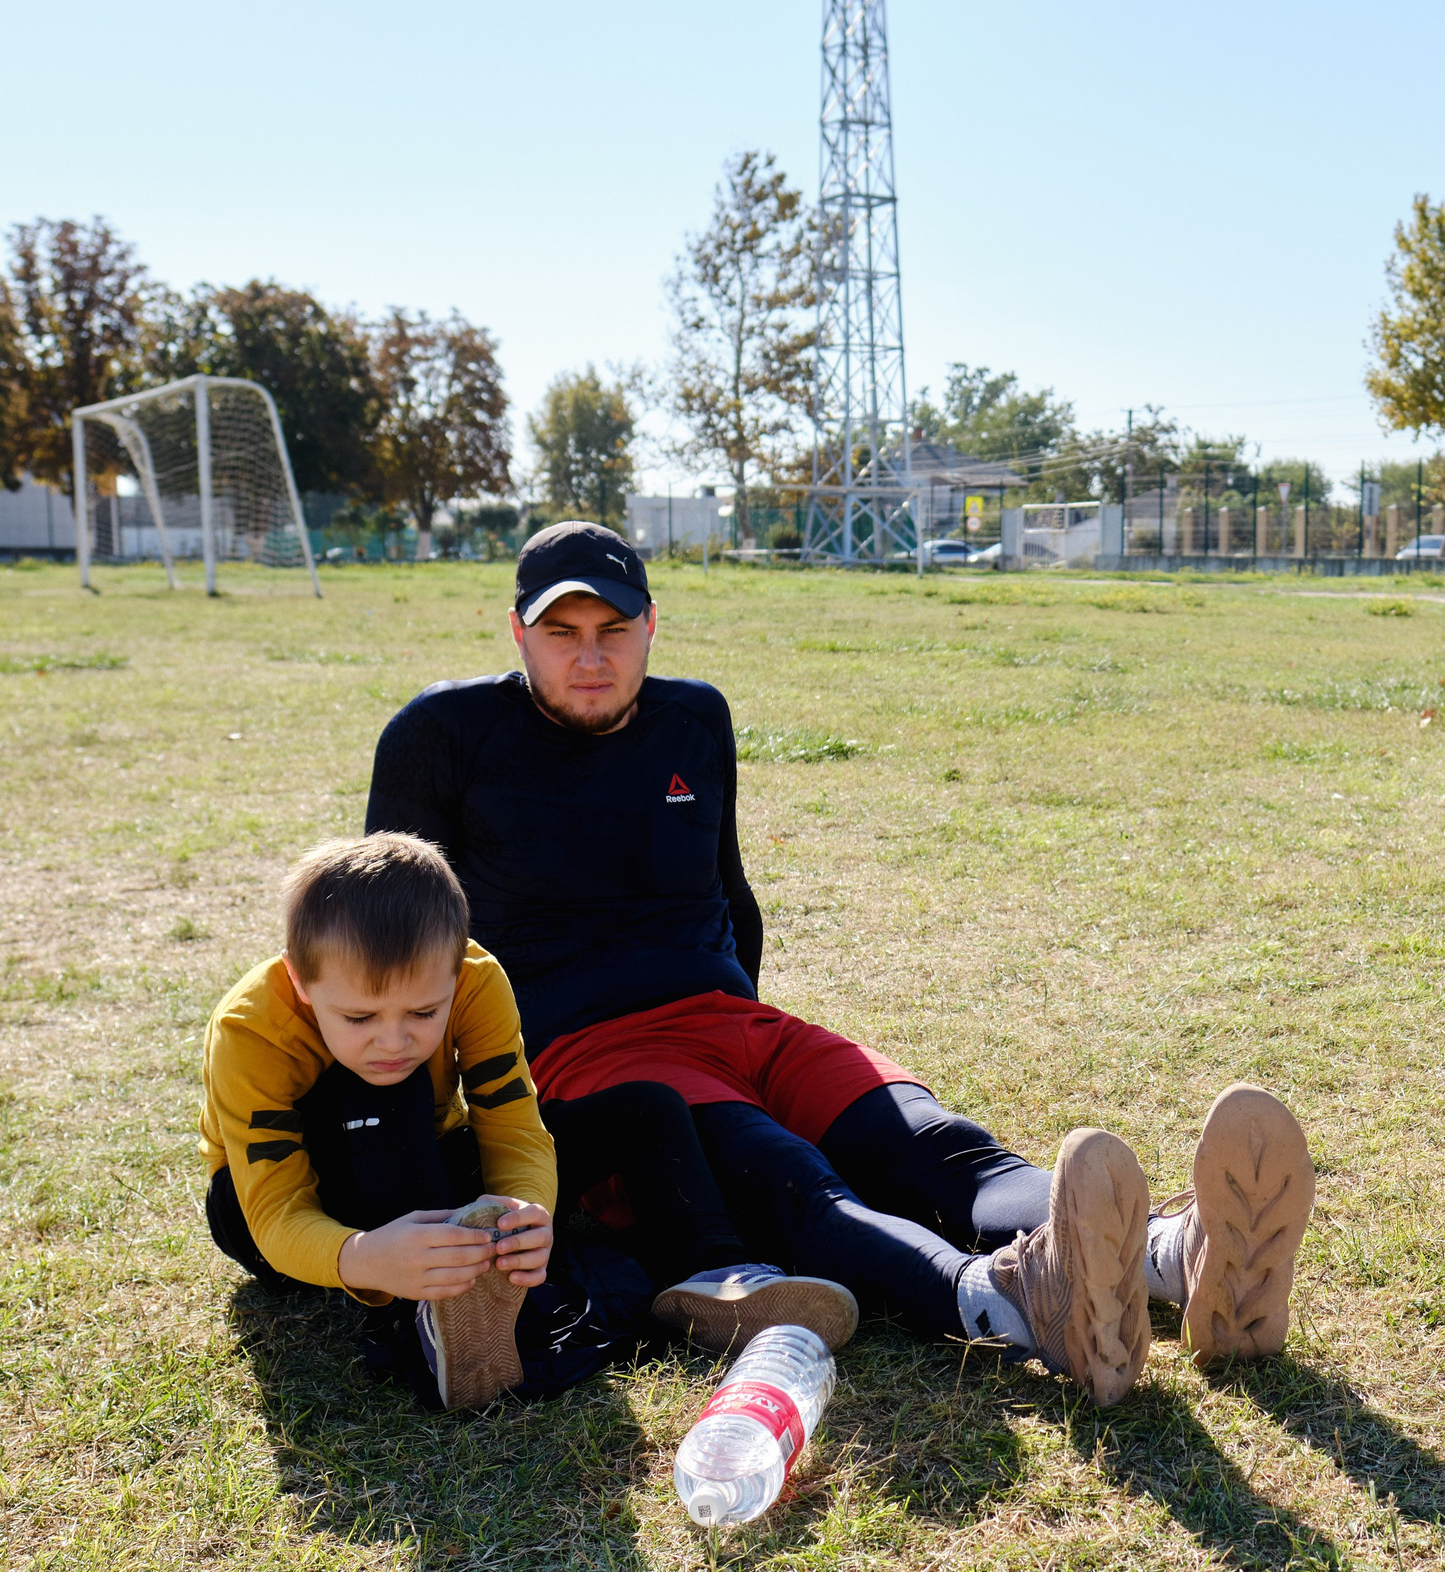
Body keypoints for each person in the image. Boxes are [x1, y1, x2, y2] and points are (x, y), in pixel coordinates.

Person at [365, 522, 1314, 1407]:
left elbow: (730, 895)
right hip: (592, 1059)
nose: (590, 654)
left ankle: (1174, 1254)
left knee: (935, 1145)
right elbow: (396, 950)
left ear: (652, 626)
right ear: (517, 633)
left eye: (614, 627)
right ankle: (1015, 1299)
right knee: (797, 1179)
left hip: (736, 1023)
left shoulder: (694, 721)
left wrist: (755, 1030)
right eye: (561, 630)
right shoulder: (444, 739)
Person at [200, 832, 857, 1412]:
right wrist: (364, 1256)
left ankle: (716, 1272)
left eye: (424, 1012)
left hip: (424, 1162)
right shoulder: (250, 1028)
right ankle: (424, 1321)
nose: (393, 1039)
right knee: (385, 1092)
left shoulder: (479, 977)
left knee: (647, 1107)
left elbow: (514, 1128)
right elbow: (274, 1214)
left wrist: (526, 1210)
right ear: (300, 979)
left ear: (455, 972)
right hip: (278, 1208)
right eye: (360, 1018)